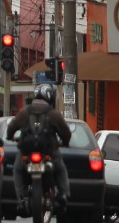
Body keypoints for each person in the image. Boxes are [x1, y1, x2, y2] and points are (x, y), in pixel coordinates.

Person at [6, 83, 72, 211]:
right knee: (60, 168)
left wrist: (10, 137)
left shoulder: (25, 112)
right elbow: (66, 132)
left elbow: (11, 127)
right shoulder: (54, 114)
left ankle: (20, 197)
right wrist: (65, 142)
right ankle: (64, 194)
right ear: (50, 97)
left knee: (17, 169)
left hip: (27, 151)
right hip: (49, 152)